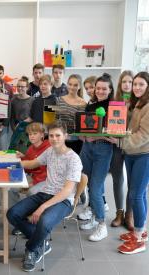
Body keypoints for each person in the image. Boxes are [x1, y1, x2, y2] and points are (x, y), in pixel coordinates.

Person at [7, 121, 82, 272]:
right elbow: (34, 163)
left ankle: (31, 249)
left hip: (63, 201)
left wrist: (43, 207)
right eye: (52, 135)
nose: (54, 139)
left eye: (58, 135)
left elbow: (67, 191)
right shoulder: (50, 152)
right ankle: (42, 242)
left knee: (44, 221)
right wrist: (12, 163)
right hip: (44, 193)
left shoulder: (73, 159)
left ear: (65, 136)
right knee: (12, 214)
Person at [108, 72, 149, 254]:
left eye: (141, 84)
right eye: (135, 84)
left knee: (135, 195)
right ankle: (142, 230)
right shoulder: (137, 103)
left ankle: (139, 239)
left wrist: (119, 142)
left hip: (143, 155)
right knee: (139, 194)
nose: (137, 87)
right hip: (132, 154)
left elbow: (144, 135)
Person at [79, 73, 114, 241]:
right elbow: (86, 126)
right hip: (87, 148)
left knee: (95, 187)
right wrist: (83, 135)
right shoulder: (91, 104)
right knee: (89, 185)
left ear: (110, 89)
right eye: (98, 88)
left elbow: (116, 133)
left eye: (104, 88)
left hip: (103, 150)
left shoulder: (115, 107)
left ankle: (102, 225)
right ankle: (94, 217)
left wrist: (99, 136)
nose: (100, 91)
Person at [109, 70, 134, 229]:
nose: (127, 85)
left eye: (130, 82)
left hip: (133, 147)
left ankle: (129, 215)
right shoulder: (114, 101)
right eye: (124, 82)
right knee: (118, 179)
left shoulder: (140, 103)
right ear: (120, 84)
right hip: (116, 145)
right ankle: (119, 213)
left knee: (133, 182)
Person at [55, 74, 87, 155]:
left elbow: (82, 125)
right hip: (60, 140)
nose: (72, 87)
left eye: (75, 85)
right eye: (70, 84)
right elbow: (55, 120)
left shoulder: (84, 103)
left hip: (76, 142)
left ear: (80, 86)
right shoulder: (58, 100)